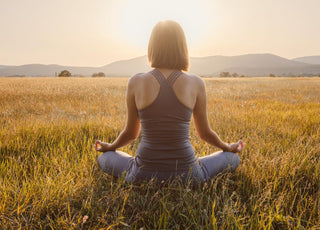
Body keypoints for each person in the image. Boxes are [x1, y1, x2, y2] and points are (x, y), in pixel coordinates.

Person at [94, 20, 244, 184]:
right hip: (189, 176)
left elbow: (131, 134)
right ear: (182, 48)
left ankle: (134, 168)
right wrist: (227, 147)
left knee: (105, 158)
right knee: (232, 158)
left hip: (141, 175)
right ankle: (198, 168)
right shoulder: (196, 82)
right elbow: (205, 134)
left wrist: (111, 147)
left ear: (152, 47)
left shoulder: (136, 81)